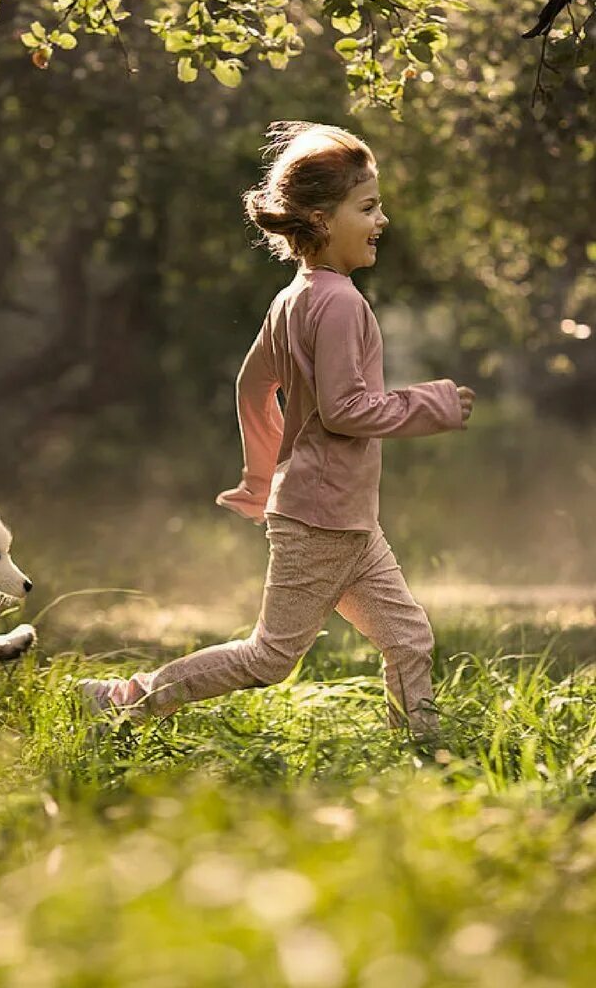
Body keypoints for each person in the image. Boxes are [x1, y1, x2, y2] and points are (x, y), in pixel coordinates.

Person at [80, 121, 475, 736]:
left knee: (408, 637)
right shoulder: (341, 302)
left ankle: (425, 748)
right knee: (270, 658)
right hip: (322, 517)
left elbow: (251, 386)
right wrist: (434, 405)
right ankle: (124, 699)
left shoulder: (292, 297)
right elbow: (347, 409)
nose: (382, 220)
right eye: (367, 207)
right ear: (319, 220)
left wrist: (264, 477)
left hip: (340, 514)